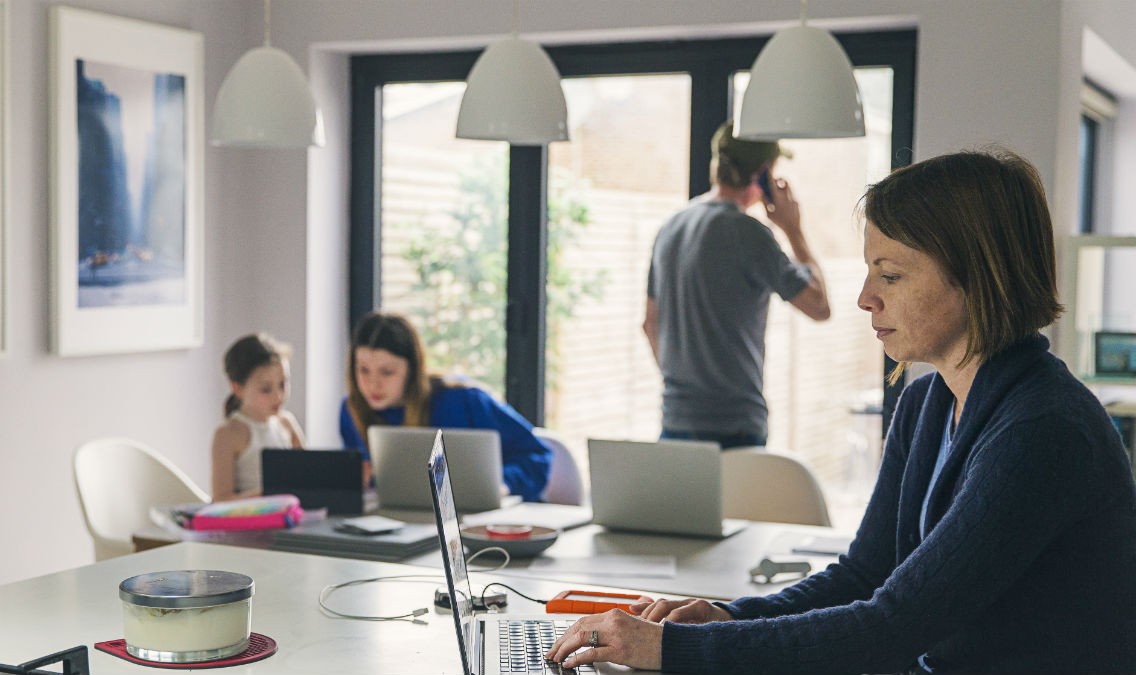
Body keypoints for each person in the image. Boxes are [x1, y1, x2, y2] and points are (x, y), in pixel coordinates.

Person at [548, 149, 1136, 674]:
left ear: (977, 280)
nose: (864, 298)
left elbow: (891, 627)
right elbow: (865, 574)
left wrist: (670, 651)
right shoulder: (926, 404)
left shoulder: (1044, 430)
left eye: (892, 274)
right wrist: (728, 617)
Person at [643, 120, 830, 448]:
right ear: (763, 174)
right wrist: (793, 229)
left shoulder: (670, 228)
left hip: (674, 422)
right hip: (735, 429)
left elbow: (649, 324)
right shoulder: (749, 234)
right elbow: (818, 305)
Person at [339, 311, 552, 502]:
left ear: (413, 371)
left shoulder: (464, 400)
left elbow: (538, 456)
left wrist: (503, 484)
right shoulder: (352, 410)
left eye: (387, 372)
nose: (373, 384)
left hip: (491, 522)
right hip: (406, 523)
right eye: (363, 370)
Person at [211, 333, 306, 502]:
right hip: (249, 523)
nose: (278, 396)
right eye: (265, 389)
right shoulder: (229, 434)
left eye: (283, 384)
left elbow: (309, 475)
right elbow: (220, 500)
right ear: (238, 389)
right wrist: (270, 493)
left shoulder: (287, 423)